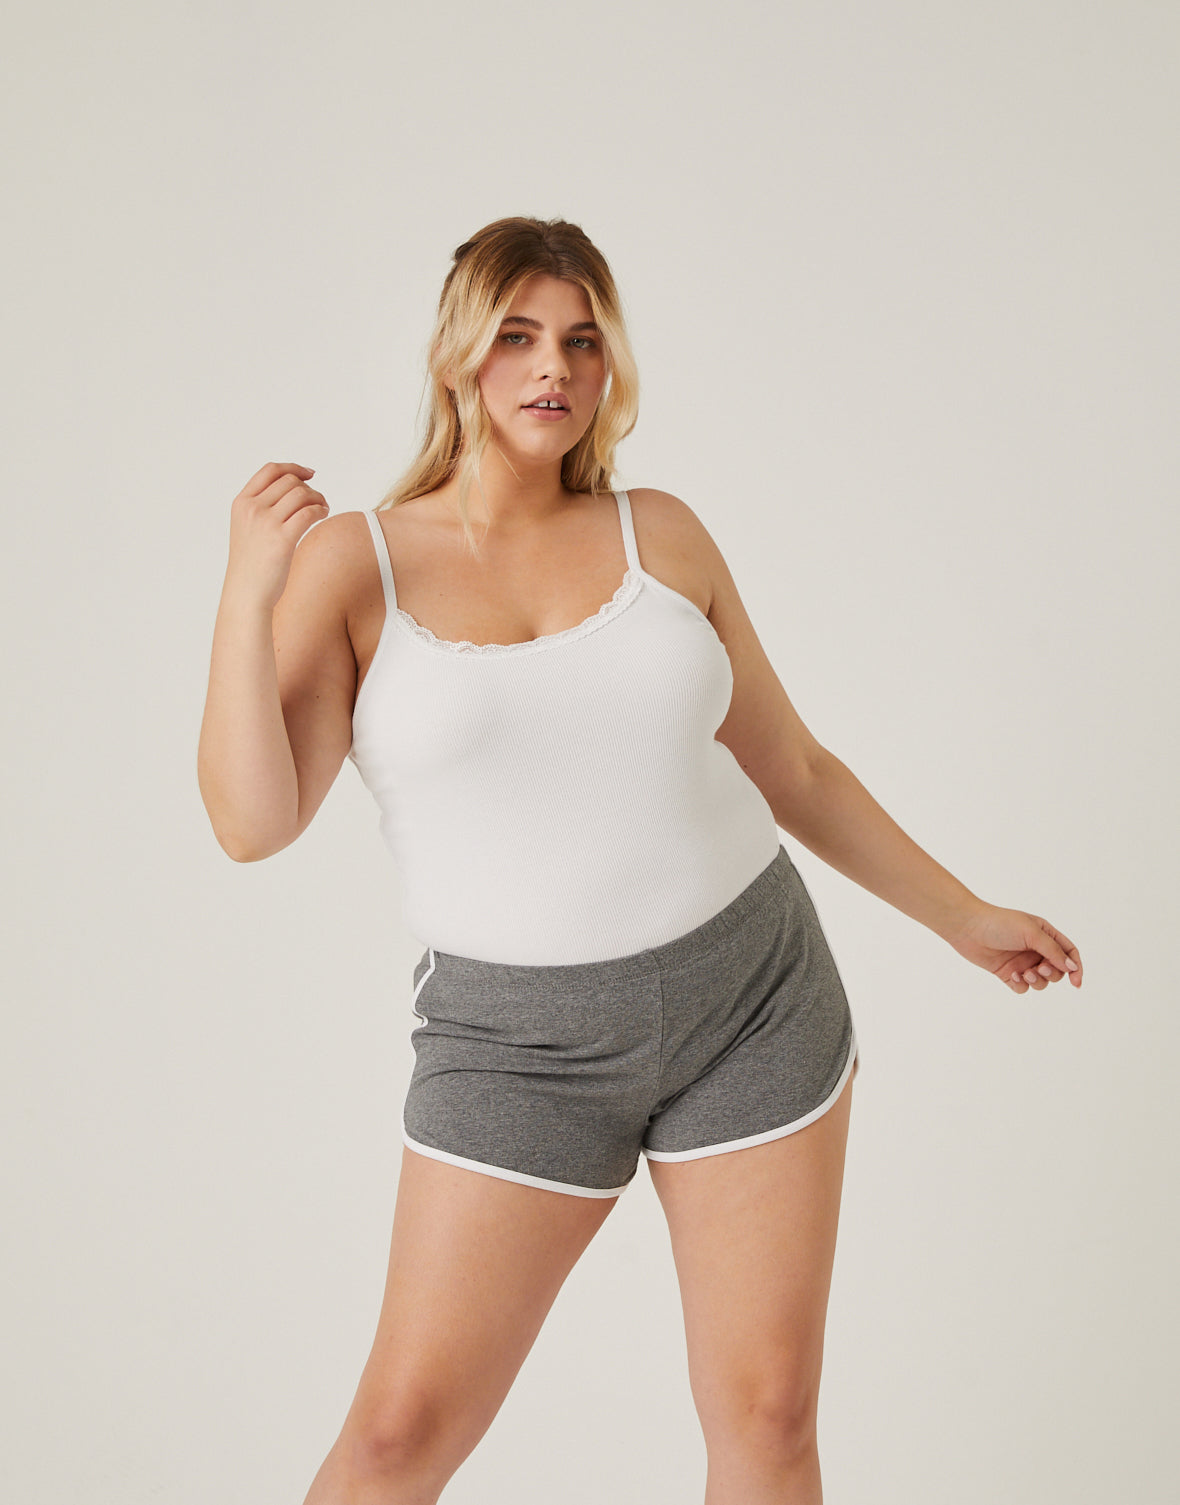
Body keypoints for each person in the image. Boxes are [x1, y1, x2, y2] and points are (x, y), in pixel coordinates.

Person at [197, 215, 1083, 1505]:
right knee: (397, 1437)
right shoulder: (357, 564)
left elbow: (795, 771)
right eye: (516, 337)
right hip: (514, 1046)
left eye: (581, 341)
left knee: (769, 1417)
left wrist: (962, 915)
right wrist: (246, 594)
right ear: (457, 355)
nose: (551, 368)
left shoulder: (661, 536)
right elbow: (251, 822)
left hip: (753, 1000)